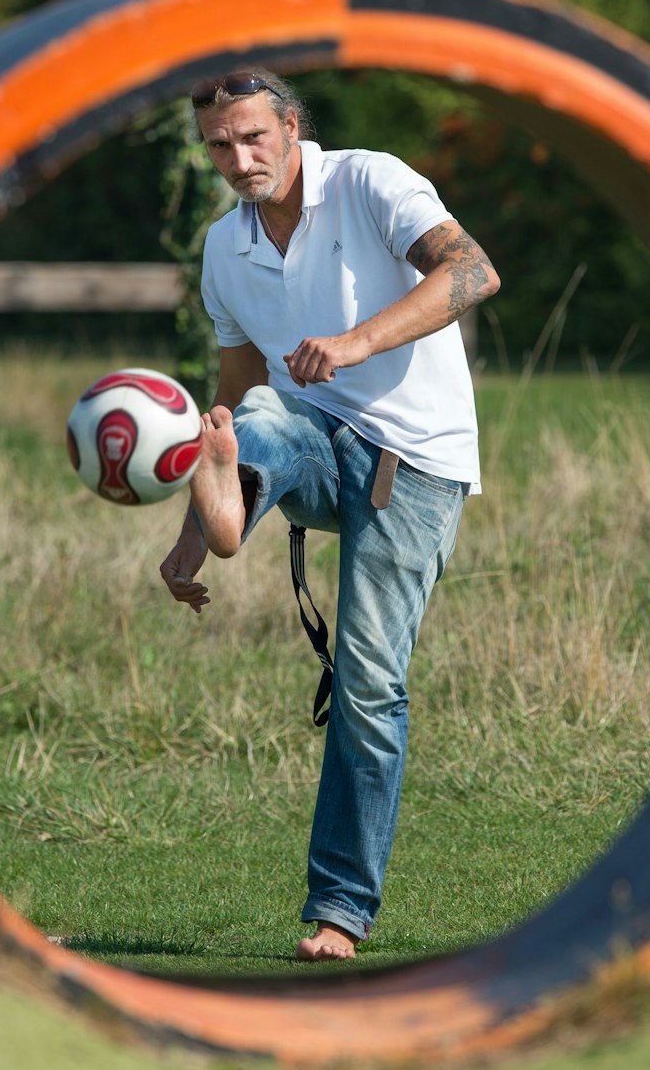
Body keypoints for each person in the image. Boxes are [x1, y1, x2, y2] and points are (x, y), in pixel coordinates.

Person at [157, 68, 500, 962]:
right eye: (219, 145)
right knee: (259, 413)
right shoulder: (221, 248)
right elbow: (233, 398)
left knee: (370, 681)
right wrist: (195, 533)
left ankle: (339, 914)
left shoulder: (371, 178)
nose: (238, 159)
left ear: (290, 126)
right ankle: (236, 519)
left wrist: (354, 343)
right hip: (303, 441)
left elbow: (473, 270)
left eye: (252, 137)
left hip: (413, 461)